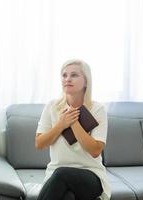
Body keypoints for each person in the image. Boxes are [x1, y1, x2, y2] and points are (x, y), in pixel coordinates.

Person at [35, 59, 111, 200]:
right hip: (55, 176)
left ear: (86, 81)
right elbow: (39, 144)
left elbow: (95, 151)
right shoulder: (52, 107)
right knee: (67, 196)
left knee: (61, 174)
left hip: (90, 175)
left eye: (74, 75)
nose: (67, 79)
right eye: (64, 75)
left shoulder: (97, 109)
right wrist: (61, 125)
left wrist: (74, 123)